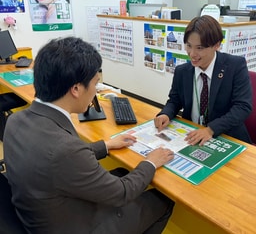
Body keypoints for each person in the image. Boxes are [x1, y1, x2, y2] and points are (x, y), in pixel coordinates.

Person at [3, 37, 175, 234]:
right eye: (95, 83)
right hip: (74, 224)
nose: (95, 90)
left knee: (122, 172)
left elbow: (56, 158)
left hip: (39, 213)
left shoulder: (15, 121)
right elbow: (122, 193)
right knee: (162, 200)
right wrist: (151, 162)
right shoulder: (65, 150)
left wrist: (106, 145)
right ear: (76, 89)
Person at [154, 15, 252, 146]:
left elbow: (242, 107)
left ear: (217, 45)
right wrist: (166, 114)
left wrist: (211, 130)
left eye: (199, 48)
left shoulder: (235, 66)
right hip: (192, 134)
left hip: (225, 135)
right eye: (189, 46)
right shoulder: (182, 71)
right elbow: (175, 100)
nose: (192, 54)